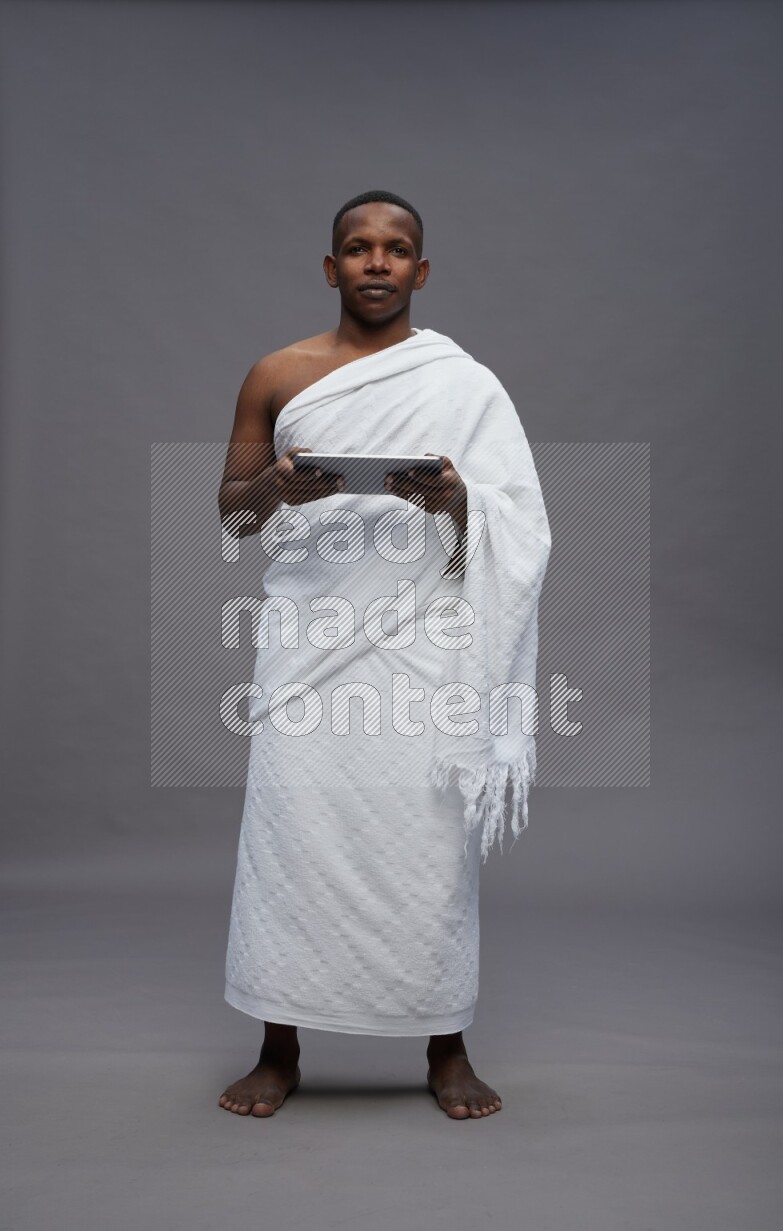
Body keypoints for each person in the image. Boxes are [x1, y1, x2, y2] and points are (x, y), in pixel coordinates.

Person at [216, 190, 550, 1120]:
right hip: (309, 642)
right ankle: (278, 1047)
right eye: (356, 249)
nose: (375, 263)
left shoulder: (466, 383)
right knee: (290, 834)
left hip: (424, 645)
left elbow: (521, 519)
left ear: (421, 270)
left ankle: (446, 1043)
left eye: (395, 250)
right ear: (330, 268)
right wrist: (278, 484)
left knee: (429, 840)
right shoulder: (276, 375)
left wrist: (454, 501)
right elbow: (232, 513)